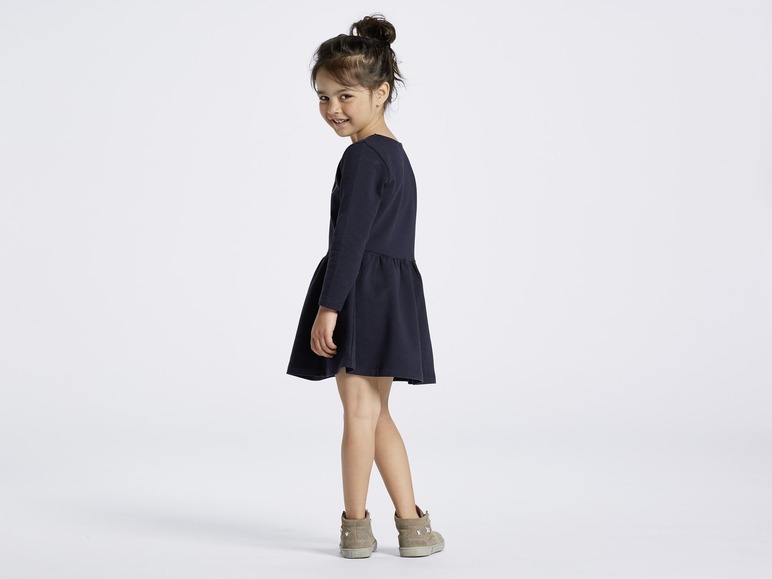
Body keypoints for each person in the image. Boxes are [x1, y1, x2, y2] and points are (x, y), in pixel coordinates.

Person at [286, 14, 445, 559]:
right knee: (376, 414)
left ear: (381, 93)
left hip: (359, 292)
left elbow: (351, 240)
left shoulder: (361, 156)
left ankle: (355, 529)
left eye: (345, 96)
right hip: (391, 294)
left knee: (358, 414)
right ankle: (414, 527)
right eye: (323, 97)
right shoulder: (395, 154)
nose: (333, 108)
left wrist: (329, 306)